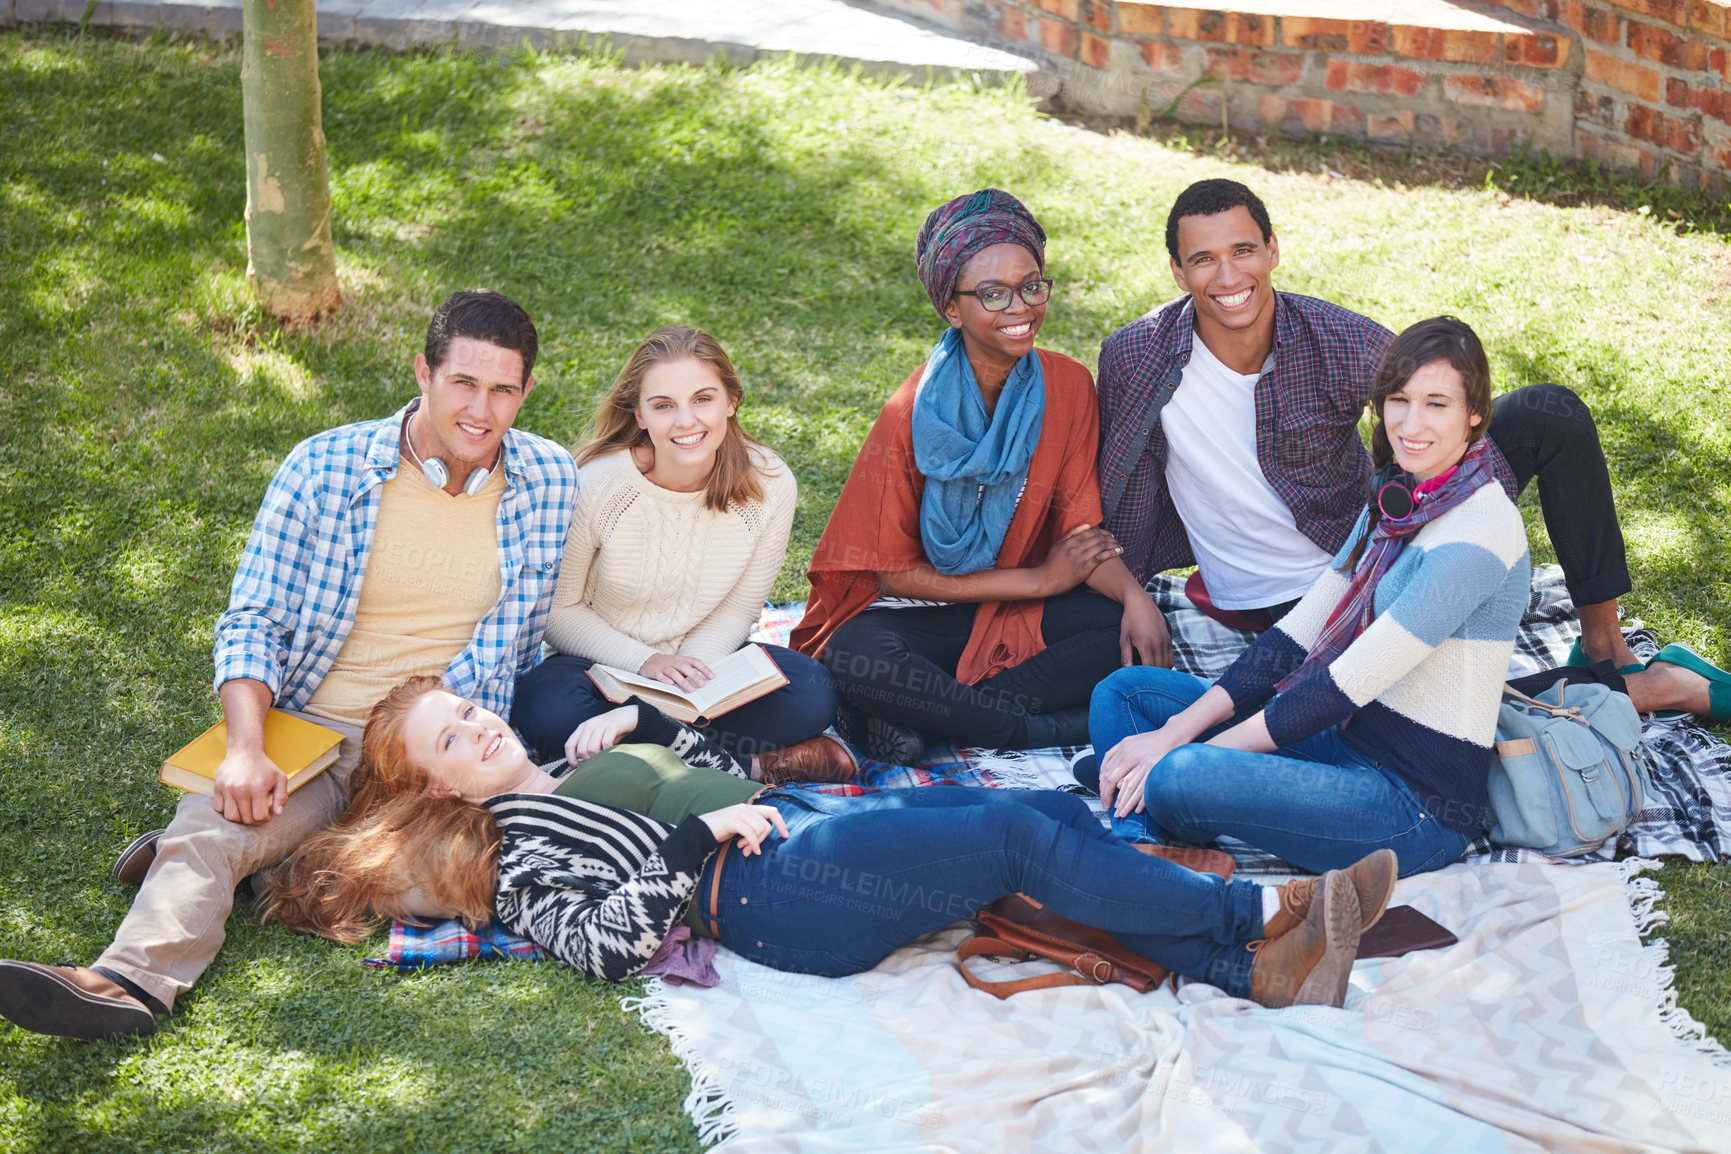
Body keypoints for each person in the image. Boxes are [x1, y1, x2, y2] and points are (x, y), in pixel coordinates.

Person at [0, 290, 581, 1040]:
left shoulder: (550, 478)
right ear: (423, 373)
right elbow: (254, 620)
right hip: (314, 730)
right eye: (463, 383)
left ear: (526, 392)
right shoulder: (325, 466)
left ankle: (260, 862)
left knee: (458, 883)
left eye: (503, 389)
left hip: (440, 756)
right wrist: (245, 750)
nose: (481, 409)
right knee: (221, 820)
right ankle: (127, 981)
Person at [263, 676, 1405, 1011]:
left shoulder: (564, 773)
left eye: (468, 705)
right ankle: (1258, 915)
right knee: (1014, 827)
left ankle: (1244, 969)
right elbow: (598, 945)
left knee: (1053, 818)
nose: (479, 721)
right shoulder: (507, 846)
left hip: (800, 845)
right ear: (436, 785)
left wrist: (670, 741)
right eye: (453, 735)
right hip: (767, 899)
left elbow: (699, 767)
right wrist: (690, 836)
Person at [1096, 178, 1724, 721]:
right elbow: (1103, 481)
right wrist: (1130, 589)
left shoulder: (1336, 338)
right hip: (1273, 602)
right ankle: (1650, 689)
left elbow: (1439, 410)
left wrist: (1436, 524)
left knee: (1546, 412)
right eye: (1203, 259)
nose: (1228, 276)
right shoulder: (1137, 355)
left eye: (1243, 250)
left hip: (1372, 565)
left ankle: (1606, 651)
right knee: (1352, 712)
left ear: (1273, 251)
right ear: (1178, 273)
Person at [1091, 317, 1529, 878]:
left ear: (1475, 414)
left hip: (1414, 809)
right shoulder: (1401, 501)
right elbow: (1297, 634)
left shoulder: (1481, 532)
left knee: (1180, 773)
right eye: (1399, 400)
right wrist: (1176, 732)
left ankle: (1146, 818)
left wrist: (1183, 754)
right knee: (1124, 696)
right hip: (1344, 747)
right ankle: (1150, 830)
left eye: (1436, 404)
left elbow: (1346, 684)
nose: (1410, 423)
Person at [792, 189, 1169, 763]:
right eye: (992, 294)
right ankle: (1030, 729)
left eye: (1031, 286)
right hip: (924, 619)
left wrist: (1137, 599)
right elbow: (892, 579)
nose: (1019, 308)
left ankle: (927, 720)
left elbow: (1080, 533)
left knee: (1113, 628)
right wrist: (1040, 582)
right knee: (856, 657)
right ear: (951, 307)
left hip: (1015, 614)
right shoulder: (912, 412)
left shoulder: (1066, 387)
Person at [509, 325, 848, 782]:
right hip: (603, 666)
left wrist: (690, 676)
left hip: (702, 665)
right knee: (544, 708)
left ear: (731, 401)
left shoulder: (770, 484)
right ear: (641, 415)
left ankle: (643, 759)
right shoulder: (599, 486)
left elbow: (741, 605)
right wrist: (649, 665)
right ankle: (748, 766)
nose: (686, 421)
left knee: (813, 691)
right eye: (664, 405)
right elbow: (559, 613)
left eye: (703, 399)